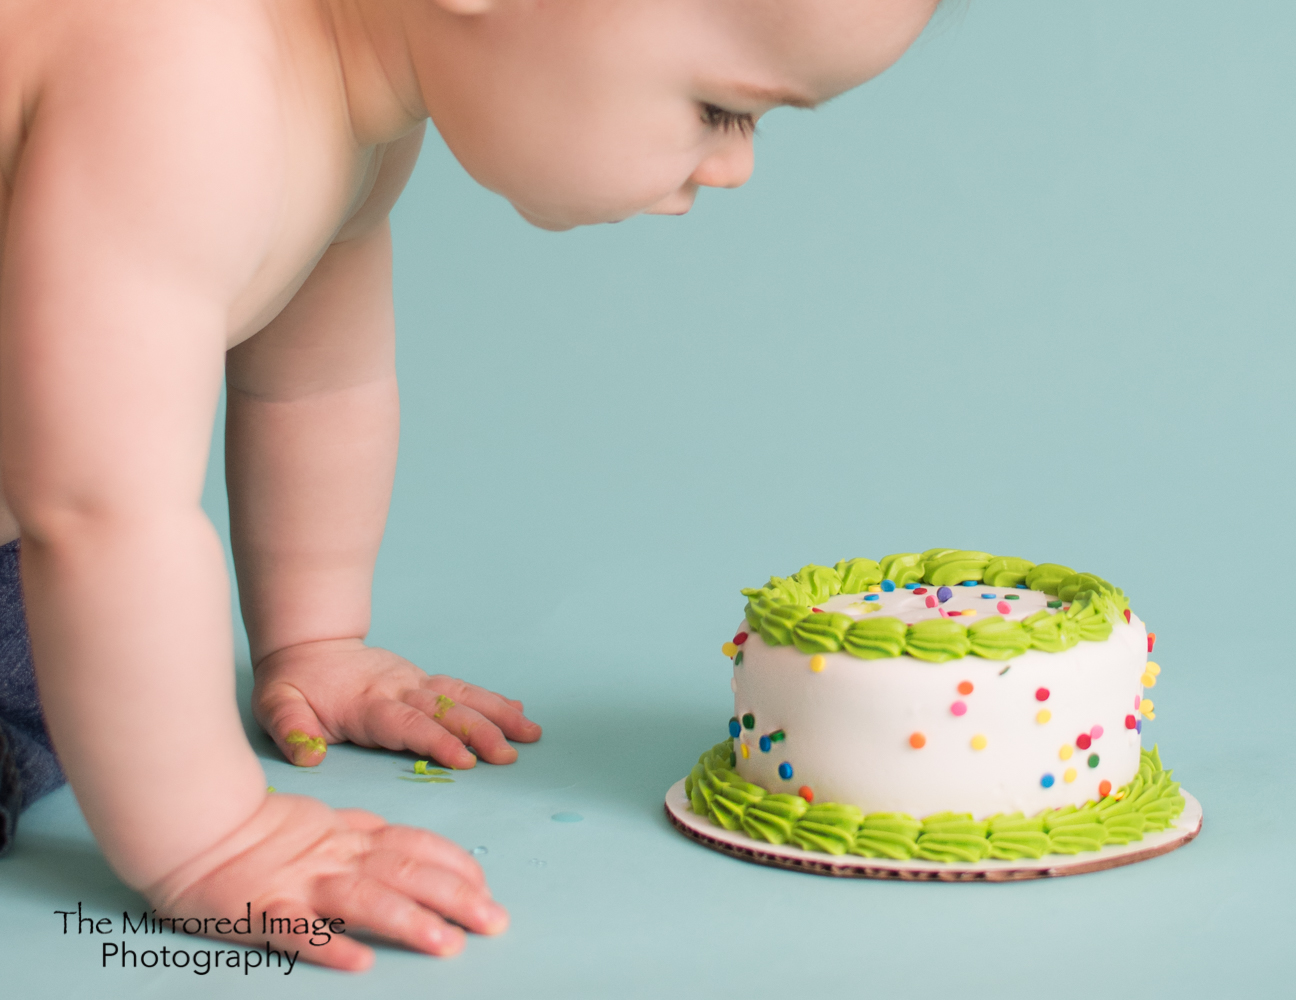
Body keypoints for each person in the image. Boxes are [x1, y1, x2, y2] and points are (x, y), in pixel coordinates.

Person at [0, 0, 940, 970]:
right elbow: (96, 506)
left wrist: (316, 640)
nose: (735, 164)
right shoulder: (180, 80)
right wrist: (212, 836)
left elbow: (314, 387)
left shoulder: (345, 111)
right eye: (720, 109)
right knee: (91, 666)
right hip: (54, 539)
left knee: (92, 677)